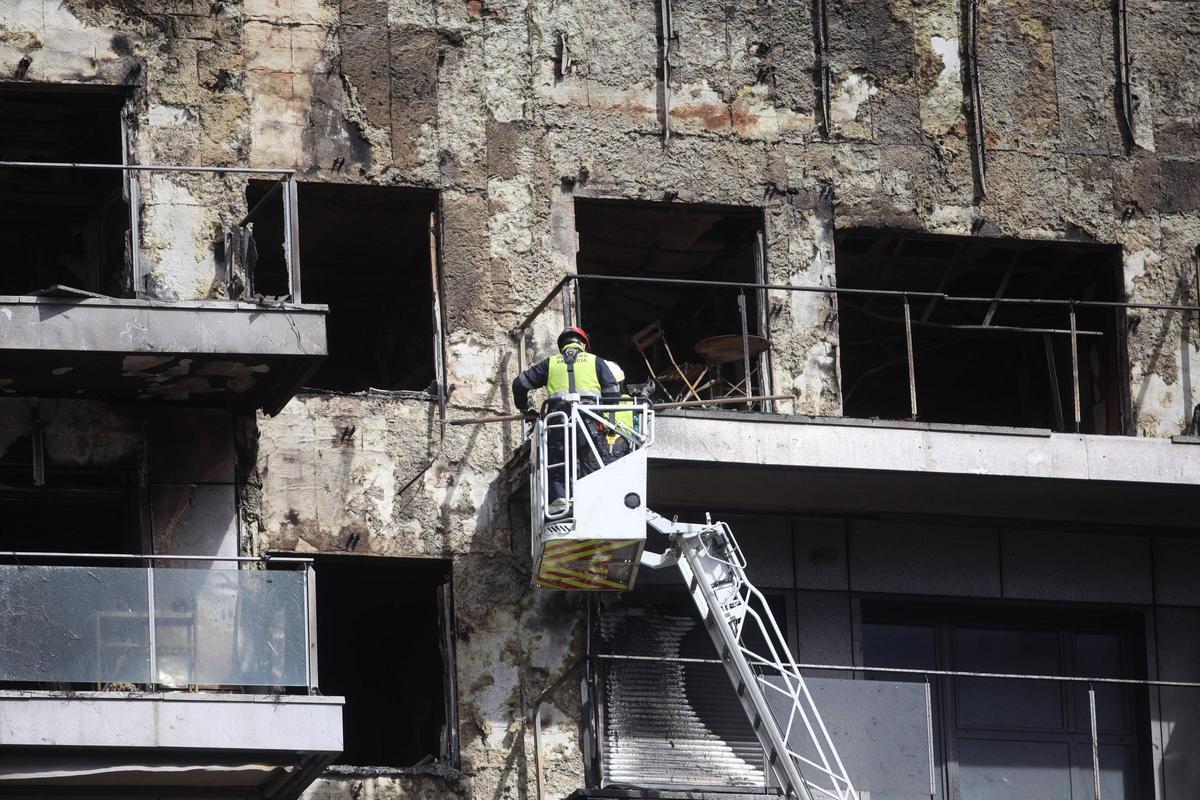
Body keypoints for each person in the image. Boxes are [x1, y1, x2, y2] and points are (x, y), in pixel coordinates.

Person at [512, 327, 620, 515]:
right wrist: (605, 415)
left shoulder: (551, 363)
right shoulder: (596, 362)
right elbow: (613, 394)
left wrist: (526, 410)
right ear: (584, 344)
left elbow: (519, 384)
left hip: (559, 425)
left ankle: (559, 507)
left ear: (562, 345)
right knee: (591, 466)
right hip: (590, 423)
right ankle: (591, 507)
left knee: (557, 466)